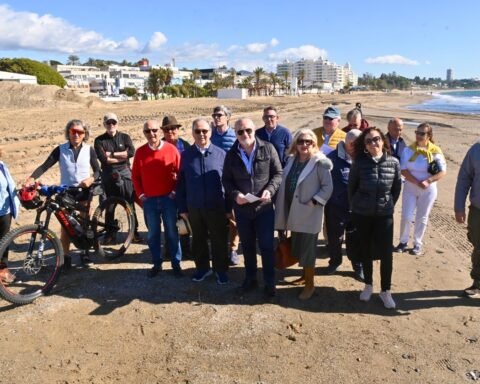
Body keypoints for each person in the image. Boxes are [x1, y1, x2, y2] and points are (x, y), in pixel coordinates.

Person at [25, 120, 100, 268]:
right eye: (73, 132)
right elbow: (45, 165)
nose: (76, 135)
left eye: (80, 132)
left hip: (84, 192)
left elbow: (98, 171)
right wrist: (31, 178)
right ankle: (66, 257)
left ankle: (85, 252)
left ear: (85, 134)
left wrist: (91, 179)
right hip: (66, 192)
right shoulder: (60, 149)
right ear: (68, 133)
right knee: (66, 226)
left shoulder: (89, 149)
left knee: (84, 224)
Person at [222, 118, 282, 297]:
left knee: (266, 246)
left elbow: (278, 173)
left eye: (248, 130)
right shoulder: (231, 154)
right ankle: (250, 279)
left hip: (263, 208)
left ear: (254, 130)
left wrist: (270, 190)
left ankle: (270, 282)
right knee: (247, 246)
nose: (245, 134)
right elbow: (226, 180)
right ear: (235, 133)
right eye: (240, 132)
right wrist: (235, 195)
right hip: (242, 210)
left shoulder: (268, 148)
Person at [274, 129, 333, 300]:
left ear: (314, 144)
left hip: (309, 213)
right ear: (295, 144)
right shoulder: (292, 160)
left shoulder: (319, 162)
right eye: (301, 141)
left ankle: (310, 284)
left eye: (309, 142)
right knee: (298, 246)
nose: (304, 145)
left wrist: (314, 202)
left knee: (307, 250)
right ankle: (303, 276)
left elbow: (328, 187)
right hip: (293, 211)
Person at [349, 127, 402, 309]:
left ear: (383, 141)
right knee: (366, 251)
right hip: (362, 214)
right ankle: (368, 285)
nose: (374, 143)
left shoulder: (394, 162)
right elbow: (352, 188)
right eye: (369, 141)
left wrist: (387, 205)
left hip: (384, 215)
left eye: (376, 139)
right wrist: (358, 206)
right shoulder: (359, 163)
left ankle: (385, 291)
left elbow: (396, 189)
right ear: (365, 146)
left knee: (386, 254)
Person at [176, 118, 229, 284]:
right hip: (194, 207)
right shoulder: (185, 156)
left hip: (216, 207)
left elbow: (228, 183)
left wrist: (228, 208)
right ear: (192, 133)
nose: (201, 134)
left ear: (210, 132)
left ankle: (220, 270)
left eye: (204, 131)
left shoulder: (221, 155)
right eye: (197, 131)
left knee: (219, 240)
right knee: (198, 240)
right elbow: (181, 184)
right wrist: (183, 208)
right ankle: (202, 269)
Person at [131, 119, 183, 278]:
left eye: (154, 130)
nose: (151, 134)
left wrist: (174, 192)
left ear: (159, 131)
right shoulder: (140, 152)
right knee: (153, 234)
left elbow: (180, 174)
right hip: (150, 201)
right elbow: (135, 177)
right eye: (147, 131)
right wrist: (141, 195)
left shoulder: (171, 150)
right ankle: (157, 263)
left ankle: (176, 263)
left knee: (172, 233)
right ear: (144, 133)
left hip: (168, 199)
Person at [394, 123, 446, 256]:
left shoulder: (435, 151)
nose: (418, 135)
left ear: (429, 136)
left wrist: (428, 180)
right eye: (417, 132)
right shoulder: (408, 150)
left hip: (428, 189)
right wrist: (416, 181)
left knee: (422, 217)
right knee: (406, 216)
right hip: (410, 187)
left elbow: (442, 172)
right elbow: (403, 170)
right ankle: (403, 241)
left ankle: (417, 243)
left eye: (422, 133)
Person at [94, 112, 141, 243]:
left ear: (117, 123)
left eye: (113, 122)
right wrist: (121, 156)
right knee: (110, 205)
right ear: (104, 124)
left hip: (125, 175)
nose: (111, 125)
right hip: (108, 175)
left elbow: (131, 152)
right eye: (108, 123)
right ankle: (110, 233)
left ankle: (134, 232)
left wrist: (112, 154)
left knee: (129, 204)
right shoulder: (99, 140)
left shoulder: (125, 137)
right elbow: (104, 159)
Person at [324, 129, 364, 279]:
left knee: (356, 239)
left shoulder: (364, 157)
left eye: (357, 144)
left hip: (358, 208)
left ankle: (357, 265)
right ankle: (334, 261)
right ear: (345, 142)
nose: (353, 146)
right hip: (336, 207)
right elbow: (323, 180)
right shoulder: (332, 158)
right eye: (351, 143)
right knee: (335, 238)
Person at [210, 105, 240, 265]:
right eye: (214, 115)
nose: (216, 117)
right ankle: (219, 248)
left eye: (220, 115)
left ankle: (233, 249)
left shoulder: (235, 135)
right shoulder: (209, 134)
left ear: (228, 117)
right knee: (217, 218)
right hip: (214, 183)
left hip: (231, 182)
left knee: (233, 218)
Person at [160, 115, 191, 260]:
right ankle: (169, 249)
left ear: (178, 129)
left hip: (183, 188)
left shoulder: (185, 146)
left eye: (172, 128)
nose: (170, 131)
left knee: (184, 219)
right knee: (169, 221)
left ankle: (186, 248)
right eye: (166, 129)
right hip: (166, 190)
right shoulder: (158, 146)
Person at [454, 141, 480, 297]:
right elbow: (464, 179)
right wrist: (459, 206)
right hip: (478, 211)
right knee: (478, 248)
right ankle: (478, 283)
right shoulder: (476, 150)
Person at [0, 151, 21, 283]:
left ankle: (3, 271)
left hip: (4, 210)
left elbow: (9, 186)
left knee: (4, 242)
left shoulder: (2, 165)